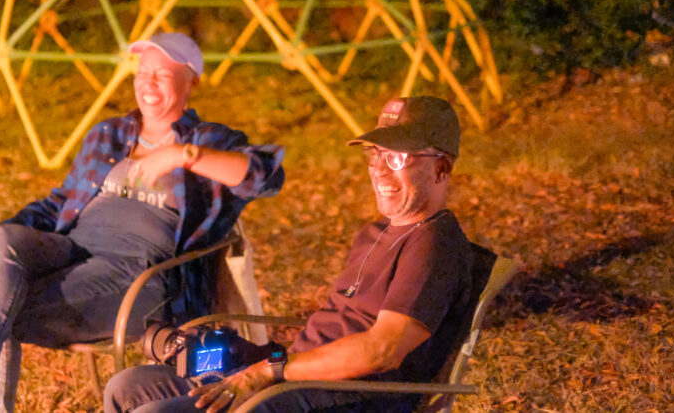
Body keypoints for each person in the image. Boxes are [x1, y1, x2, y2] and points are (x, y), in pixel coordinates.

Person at [0, 33, 285, 413]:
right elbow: (58, 205)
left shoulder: (209, 140)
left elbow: (264, 175)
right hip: (71, 251)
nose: (148, 83)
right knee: (3, 244)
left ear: (192, 81)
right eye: (143, 72)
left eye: (162, 74)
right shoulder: (109, 135)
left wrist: (183, 155)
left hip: (140, 276)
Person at [104, 95, 476, 413]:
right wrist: (256, 358)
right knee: (127, 387)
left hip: (345, 397)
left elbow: (383, 350)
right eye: (376, 155)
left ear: (441, 168)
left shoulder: (434, 245)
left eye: (398, 159)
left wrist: (269, 370)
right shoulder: (376, 233)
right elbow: (334, 328)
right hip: (293, 375)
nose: (379, 170)